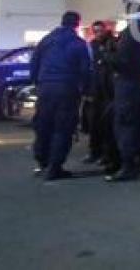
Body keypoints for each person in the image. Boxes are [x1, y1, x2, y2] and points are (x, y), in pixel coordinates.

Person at [31, 11, 91, 180]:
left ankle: (42, 162)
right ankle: (54, 167)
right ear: (77, 24)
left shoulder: (46, 40)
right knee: (62, 128)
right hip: (67, 88)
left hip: (45, 87)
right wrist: (85, 89)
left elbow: (34, 62)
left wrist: (37, 82)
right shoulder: (79, 43)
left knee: (43, 125)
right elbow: (85, 69)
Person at [105, 3, 140, 182]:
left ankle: (128, 166)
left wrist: (108, 56)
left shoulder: (131, 32)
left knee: (125, 124)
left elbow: (123, 61)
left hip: (128, 84)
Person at [87, 21, 119, 172]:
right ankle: (94, 151)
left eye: (100, 31)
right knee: (94, 123)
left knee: (107, 125)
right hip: (96, 90)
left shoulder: (112, 43)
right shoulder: (92, 45)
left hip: (109, 91)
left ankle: (106, 155)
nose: (98, 34)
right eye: (96, 31)